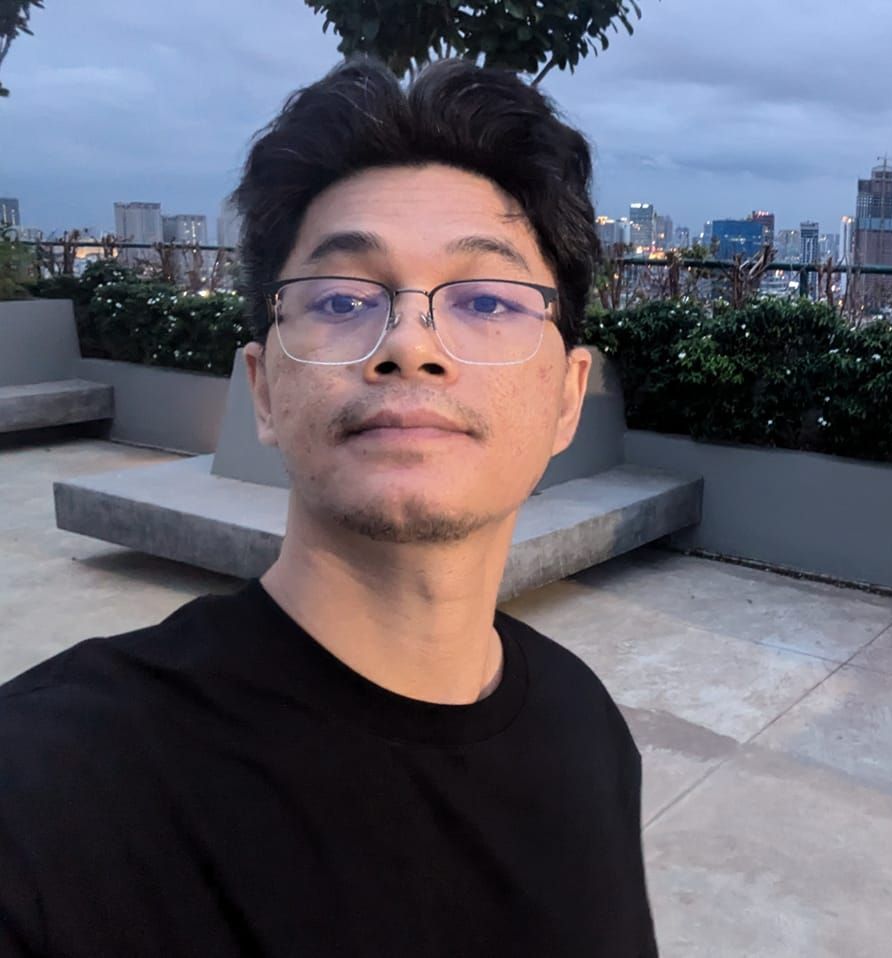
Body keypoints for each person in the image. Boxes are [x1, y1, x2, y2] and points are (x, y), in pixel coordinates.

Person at [0, 58, 659, 957]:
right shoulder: (56, 789)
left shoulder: (587, 733)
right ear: (263, 390)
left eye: (486, 300)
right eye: (344, 299)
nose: (410, 345)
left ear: (568, 398)